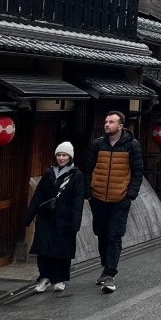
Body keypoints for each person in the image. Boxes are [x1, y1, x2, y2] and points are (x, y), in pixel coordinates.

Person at [86, 111, 143, 294]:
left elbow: (138, 171)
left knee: (114, 235)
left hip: (120, 199)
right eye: (106, 121)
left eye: (111, 122)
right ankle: (105, 266)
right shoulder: (97, 144)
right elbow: (88, 168)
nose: (107, 124)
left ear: (120, 126)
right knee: (101, 233)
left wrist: (130, 194)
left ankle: (110, 274)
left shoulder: (132, 146)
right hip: (98, 197)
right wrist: (89, 191)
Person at [25, 142, 85, 293]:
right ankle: (44, 277)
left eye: (64, 155)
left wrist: (75, 223)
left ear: (70, 157)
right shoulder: (49, 173)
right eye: (59, 155)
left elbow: (78, 201)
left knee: (62, 250)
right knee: (43, 249)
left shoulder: (76, 175)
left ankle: (59, 279)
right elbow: (38, 196)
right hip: (46, 216)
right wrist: (29, 216)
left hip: (64, 218)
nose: (61, 158)